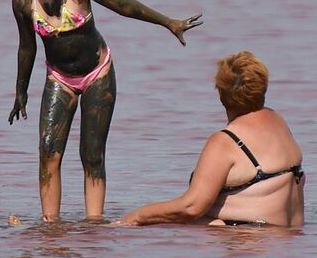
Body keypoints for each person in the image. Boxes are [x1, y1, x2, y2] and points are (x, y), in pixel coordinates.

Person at [9, 0, 202, 221]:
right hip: (59, 78)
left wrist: (168, 23)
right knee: (48, 153)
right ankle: (50, 227)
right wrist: (20, 92)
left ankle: (93, 225)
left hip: (98, 74)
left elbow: (123, 5)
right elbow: (27, 48)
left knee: (92, 154)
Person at [117, 51, 304, 227]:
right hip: (285, 244)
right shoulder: (278, 121)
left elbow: (191, 207)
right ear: (263, 89)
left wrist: (136, 216)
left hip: (247, 243)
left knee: (154, 225)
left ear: (222, 95)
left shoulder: (226, 142)